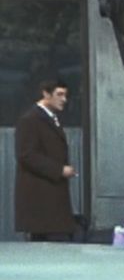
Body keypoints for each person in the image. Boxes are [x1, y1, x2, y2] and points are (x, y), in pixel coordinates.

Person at [14, 78, 78, 241]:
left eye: (65, 95)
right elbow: (26, 155)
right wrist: (59, 170)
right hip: (40, 199)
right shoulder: (31, 119)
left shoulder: (51, 118)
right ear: (46, 94)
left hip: (51, 199)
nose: (64, 99)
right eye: (59, 94)